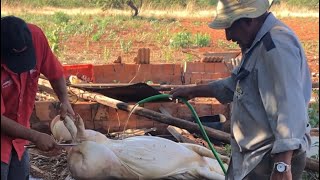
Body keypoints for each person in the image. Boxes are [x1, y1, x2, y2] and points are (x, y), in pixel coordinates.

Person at [170, 0, 312, 180]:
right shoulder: (257, 44)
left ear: (248, 20)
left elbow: (288, 106)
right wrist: (194, 90)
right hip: (255, 157)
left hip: (269, 159)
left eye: (229, 27)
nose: (228, 36)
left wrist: (282, 166)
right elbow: (236, 85)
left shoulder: (275, 47)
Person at [1, 16, 75, 180]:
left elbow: (54, 72)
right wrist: (35, 136)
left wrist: (64, 99)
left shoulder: (35, 36)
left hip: (20, 138)